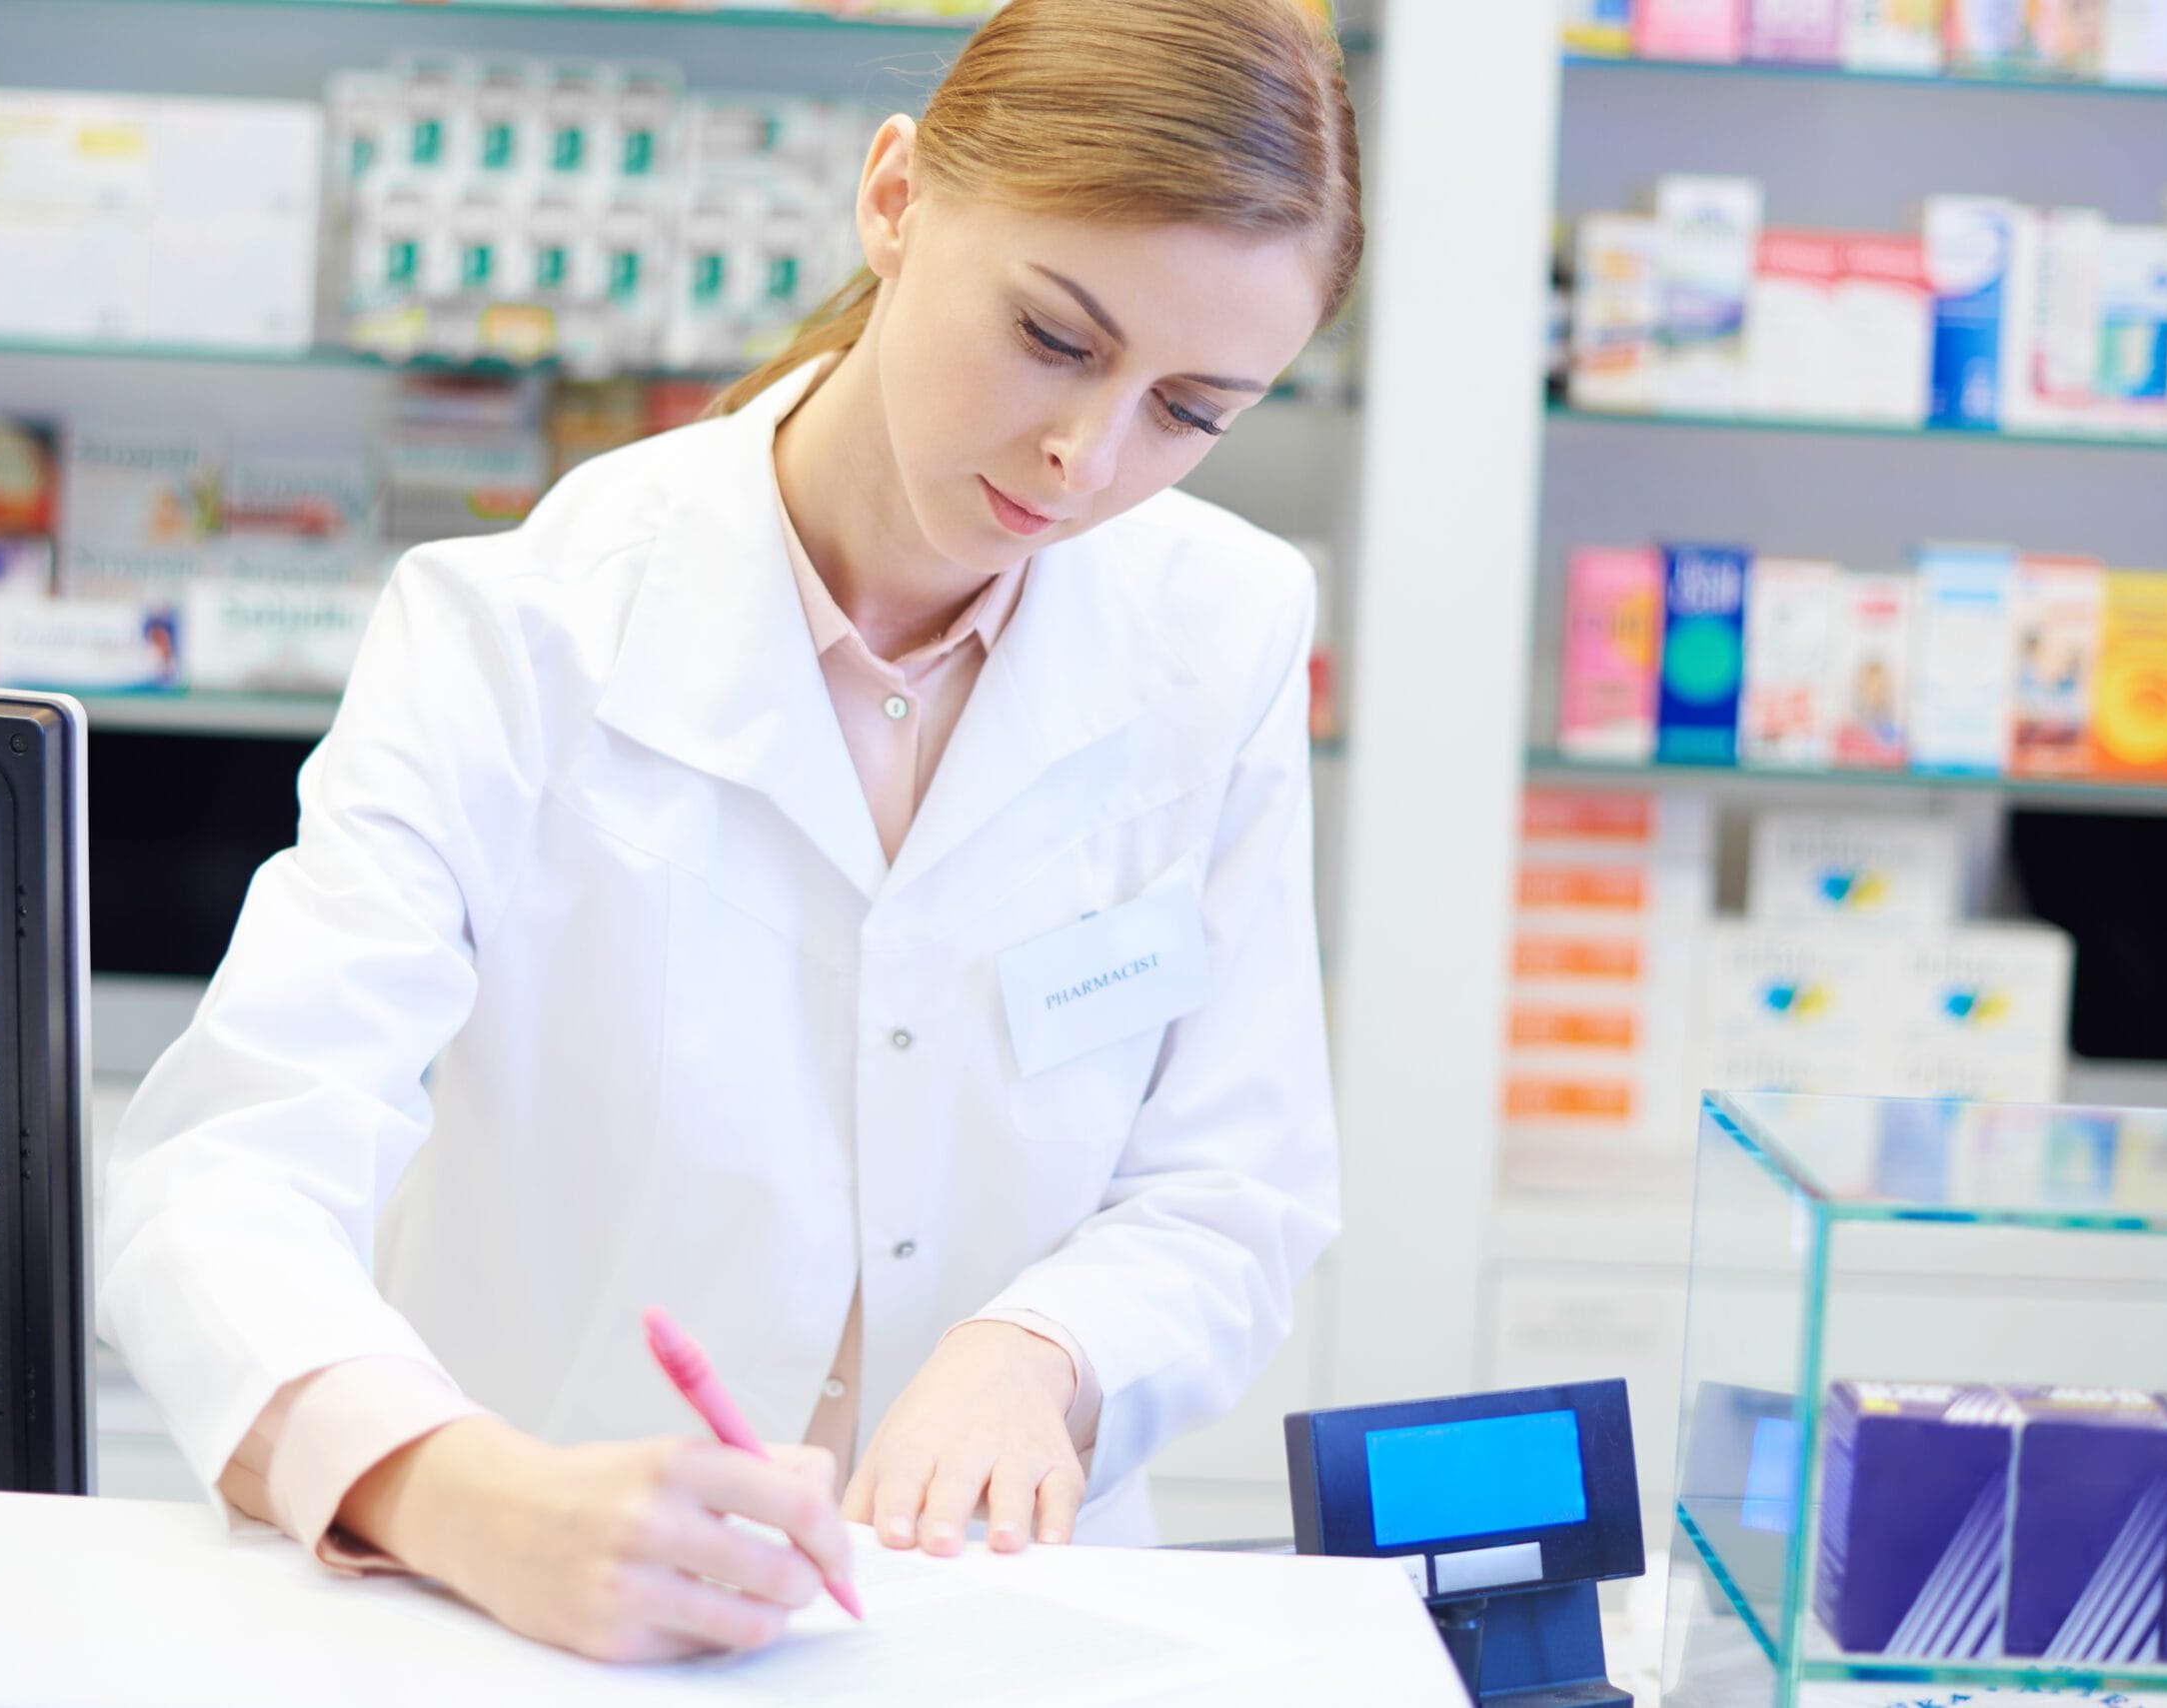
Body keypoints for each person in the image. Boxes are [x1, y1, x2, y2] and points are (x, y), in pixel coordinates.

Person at [98, 0, 1362, 1666]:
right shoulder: (519, 630)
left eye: (1192, 410)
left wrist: (1042, 1346)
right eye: (1056, 337)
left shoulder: (1227, 624)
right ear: (896, 200)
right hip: (535, 1617)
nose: (1086, 453)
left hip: (980, 1619)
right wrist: (453, 1487)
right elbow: (227, 1174)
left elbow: (1233, 1180)